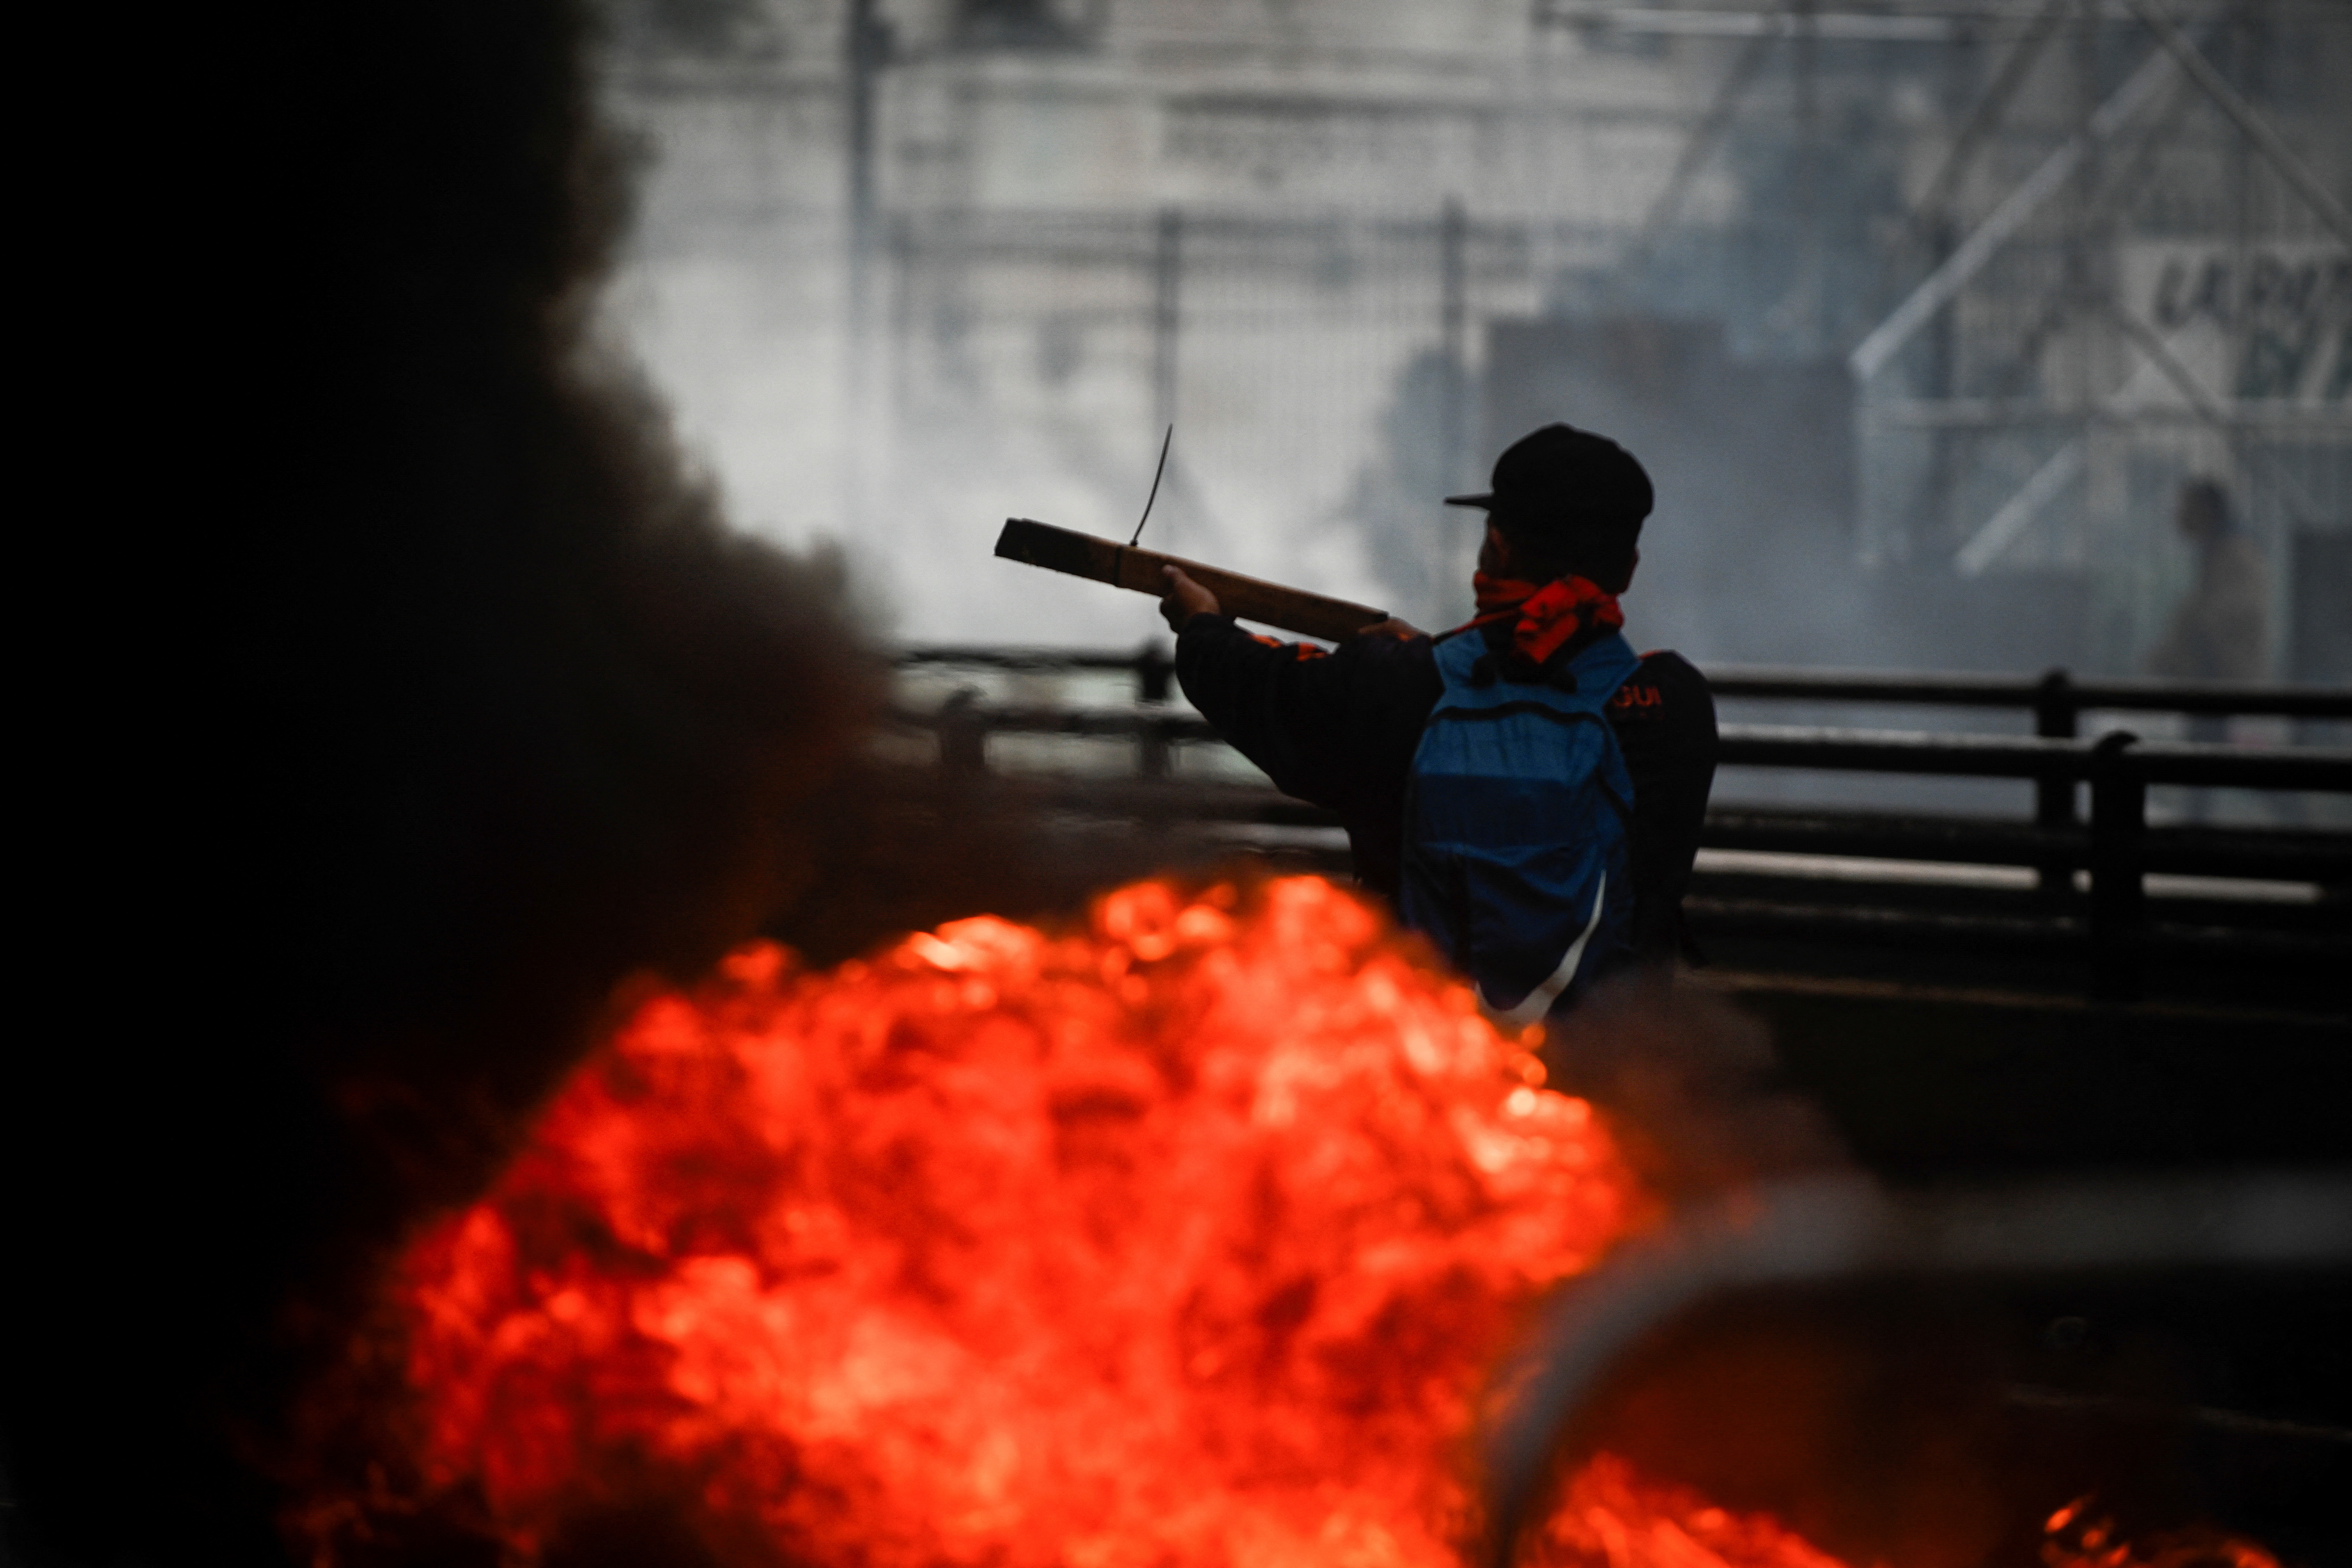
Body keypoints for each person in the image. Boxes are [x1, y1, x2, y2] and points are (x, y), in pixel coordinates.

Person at [1160, 422, 1717, 1018]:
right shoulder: (1672, 706)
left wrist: (1202, 628)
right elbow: (1549, 674)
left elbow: (1262, 684)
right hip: (1617, 1077)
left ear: (1498, 549)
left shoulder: (1397, 686)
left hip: (1433, 1072)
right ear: (1628, 567)